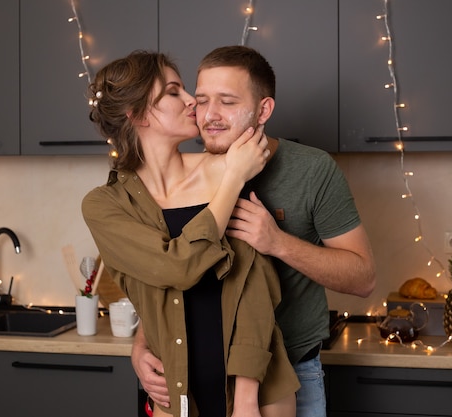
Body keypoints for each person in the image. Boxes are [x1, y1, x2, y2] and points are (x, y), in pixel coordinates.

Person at [131, 46, 376, 417]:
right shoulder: (180, 173)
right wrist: (141, 343)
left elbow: (363, 279)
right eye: (201, 100)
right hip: (193, 376)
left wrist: (277, 243)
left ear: (263, 110)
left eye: (227, 102)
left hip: (290, 375)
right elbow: (169, 273)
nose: (209, 115)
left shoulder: (311, 170)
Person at [81, 50, 299, 417]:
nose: (192, 102)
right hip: (174, 396)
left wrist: (247, 397)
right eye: (173, 92)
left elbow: (254, 284)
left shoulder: (228, 165)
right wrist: (233, 180)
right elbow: (172, 270)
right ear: (136, 114)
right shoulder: (105, 206)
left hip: (258, 394)